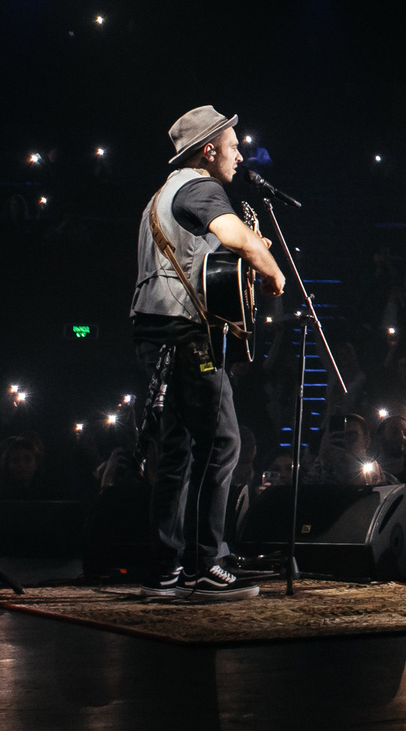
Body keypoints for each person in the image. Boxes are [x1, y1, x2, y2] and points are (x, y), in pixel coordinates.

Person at [130, 105, 283, 601]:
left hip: (155, 332)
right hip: (183, 334)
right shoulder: (200, 188)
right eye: (235, 146)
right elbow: (233, 236)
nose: (241, 155)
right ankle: (205, 561)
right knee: (222, 443)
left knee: (175, 451)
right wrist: (270, 267)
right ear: (209, 149)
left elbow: (199, 262)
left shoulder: (164, 195)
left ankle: (162, 567)